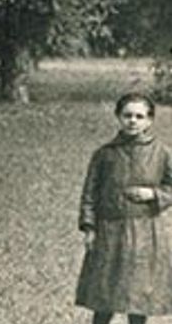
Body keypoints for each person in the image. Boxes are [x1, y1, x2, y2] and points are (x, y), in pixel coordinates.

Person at [75, 92, 172, 324]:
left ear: (149, 121)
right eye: (127, 115)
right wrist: (90, 228)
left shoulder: (162, 153)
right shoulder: (104, 154)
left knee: (138, 295)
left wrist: (154, 194)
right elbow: (89, 193)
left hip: (146, 232)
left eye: (140, 116)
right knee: (104, 294)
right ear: (118, 117)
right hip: (110, 230)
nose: (133, 121)